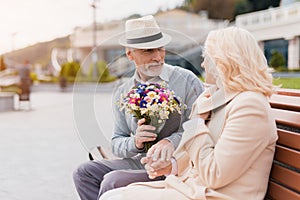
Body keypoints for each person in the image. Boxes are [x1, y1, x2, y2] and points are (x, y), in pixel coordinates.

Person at [100, 27, 278, 200]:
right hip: (194, 187)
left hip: (213, 194)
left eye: (206, 57)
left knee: (112, 194)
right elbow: (205, 153)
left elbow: (213, 173)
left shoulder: (249, 106)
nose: (202, 64)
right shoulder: (226, 99)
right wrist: (172, 165)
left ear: (223, 61)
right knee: (107, 190)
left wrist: (196, 122)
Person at [73, 15, 204, 200]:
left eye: (160, 49)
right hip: (139, 162)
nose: (157, 57)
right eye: (148, 51)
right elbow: (117, 143)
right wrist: (135, 141)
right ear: (130, 54)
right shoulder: (122, 92)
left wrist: (171, 142)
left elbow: (201, 126)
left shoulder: (186, 80)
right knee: (83, 173)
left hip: (177, 163)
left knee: (112, 181)